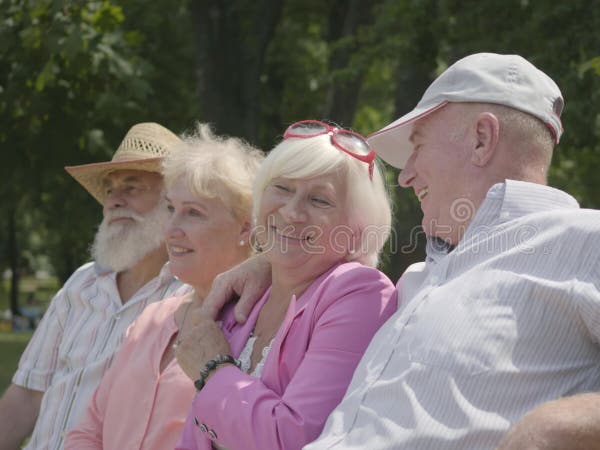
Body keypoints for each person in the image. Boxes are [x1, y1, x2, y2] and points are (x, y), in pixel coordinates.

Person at [204, 54, 600, 450]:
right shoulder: (422, 274)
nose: (406, 176)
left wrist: (559, 424)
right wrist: (268, 261)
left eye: (416, 146)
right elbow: (339, 278)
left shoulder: (591, 241)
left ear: (482, 138)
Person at [172, 120, 397, 450]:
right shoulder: (248, 293)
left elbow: (292, 439)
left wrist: (213, 370)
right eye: (282, 189)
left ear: (356, 228)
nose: (292, 212)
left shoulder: (360, 292)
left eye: (319, 201)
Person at [64, 125, 263, 449]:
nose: (171, 229)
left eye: (193, 213)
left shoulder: (263, 326)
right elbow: (88, 431)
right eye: (171, 208)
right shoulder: (150, 319)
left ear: (246, 227)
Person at [0, 122, 186, 450]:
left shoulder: (187, 296)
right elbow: (27, 395)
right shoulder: (81, 284)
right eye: (109, 190)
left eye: (131, 187)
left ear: (172, 201)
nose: (114, 201)